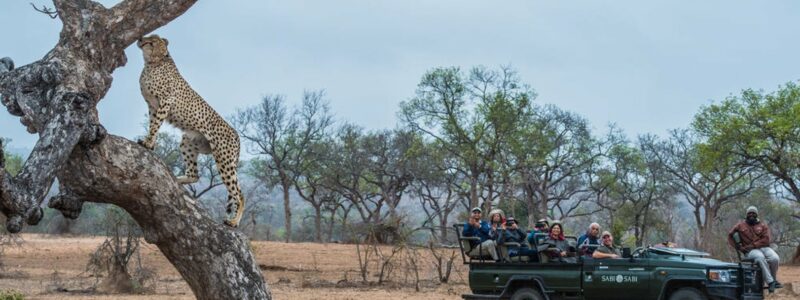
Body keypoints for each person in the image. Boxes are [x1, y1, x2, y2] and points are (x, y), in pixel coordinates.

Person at [727, 206, 782, 293]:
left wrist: (754, 245)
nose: (751, 215)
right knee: (760, 258)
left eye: (753, 213)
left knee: (775, 258)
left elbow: (766, 240)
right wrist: (737, 246)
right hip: (750, 251)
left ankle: (773, 280)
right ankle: (771, 282)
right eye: (749, 213)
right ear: (746, 215)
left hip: (764, 248)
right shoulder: (740, 225)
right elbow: (730, 235)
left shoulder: (762, 225)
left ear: (756, 214)